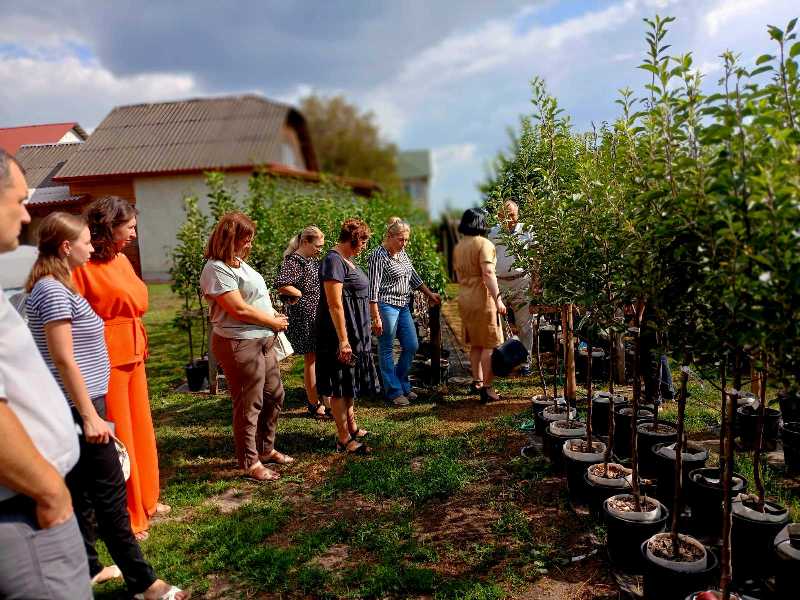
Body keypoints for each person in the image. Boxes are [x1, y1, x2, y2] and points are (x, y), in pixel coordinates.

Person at [26, 211, 187, 600]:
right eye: (85, 241)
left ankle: (90, 566)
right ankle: (144, 583)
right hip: (79, 407)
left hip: (79, 405)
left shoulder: (56, 284)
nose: (91, 245)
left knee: (81, 491)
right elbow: (63, 358)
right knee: (111, 494)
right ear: (67, 247)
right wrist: (90, 415)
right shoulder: (51, 290)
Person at [0, 149, 92, 599]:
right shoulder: (52, 289)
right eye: (17, 201)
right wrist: (49, 491)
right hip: (23, 509)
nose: (24, 216)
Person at [73, 196, 168, 540]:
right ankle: (128, 516)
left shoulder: (122, 260)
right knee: (120, 437)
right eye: (128, 228)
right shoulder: (82, 266)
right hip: (105, 358)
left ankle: (147, 499)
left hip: (133, 350)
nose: (133, 234)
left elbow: (137, 302)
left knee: (141, 429)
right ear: (107, 227)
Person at [200, 212, 292, 482]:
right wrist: (273, 321)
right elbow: (238, 309)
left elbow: (256, 298)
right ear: (230, 239)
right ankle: (249, 462)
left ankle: (265, 449)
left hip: (262, 339)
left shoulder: (239, 264)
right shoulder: (215, 268)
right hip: (238, 342)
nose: (250, 244)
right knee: (249, 404)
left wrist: (272, 317)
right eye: (245, 239)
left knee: (275, 395)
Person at [316, 218, 378, 453]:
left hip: (356, 332)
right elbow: (335, 305)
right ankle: (343, 438)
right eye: (363, 241)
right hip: (338, 335)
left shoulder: (346, 259)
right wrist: (343, 340)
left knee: (349, 382)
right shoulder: (333, 261)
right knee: (340, 384)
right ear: (352, 239)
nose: (364, 246)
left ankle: (351, 426)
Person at [368, 217, 441, 406]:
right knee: (387, 348)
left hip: (403, 306)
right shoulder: (379, 255)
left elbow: (413, 276)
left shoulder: (402, 253)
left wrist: (429, 294)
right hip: (385, 305)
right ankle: (393, 391)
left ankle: (401, 381)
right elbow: (373, 289)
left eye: (407, 239)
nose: (404, 243)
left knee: (411, 345)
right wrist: (375, 315)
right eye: (401, 239)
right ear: (389, 237)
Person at [453, 208, 507, 403]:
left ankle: (477, 381)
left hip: (465, 297)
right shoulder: (484, 244)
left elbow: (458, 277)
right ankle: (488, 388)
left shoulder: (459, 246)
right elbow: (488, 274)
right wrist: (498, 299)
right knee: (490, 344)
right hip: (482, 298)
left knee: (475, 342)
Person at [276, 225, 331, 419]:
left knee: (317, 358)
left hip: (315, 314)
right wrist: (299, 293)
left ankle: (322, 398)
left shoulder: (309, 260)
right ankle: (313, 403)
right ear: (305, 242)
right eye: (317, 245)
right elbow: (282, 284)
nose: (320, 250)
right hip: (305, 316)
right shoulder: (295, 260)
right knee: (311, 359)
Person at [488, 199, 534, 376]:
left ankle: (525, 363)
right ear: (499, 217)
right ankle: (503, 361)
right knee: (498, 325)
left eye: (512, 215)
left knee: (525, 325)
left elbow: (536, 256)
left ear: (518, 214)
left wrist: (536, 281)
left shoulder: (527, 231)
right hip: (499, 283)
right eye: (505, 216)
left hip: (522, 281)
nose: (509, 220)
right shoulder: (493, 234)